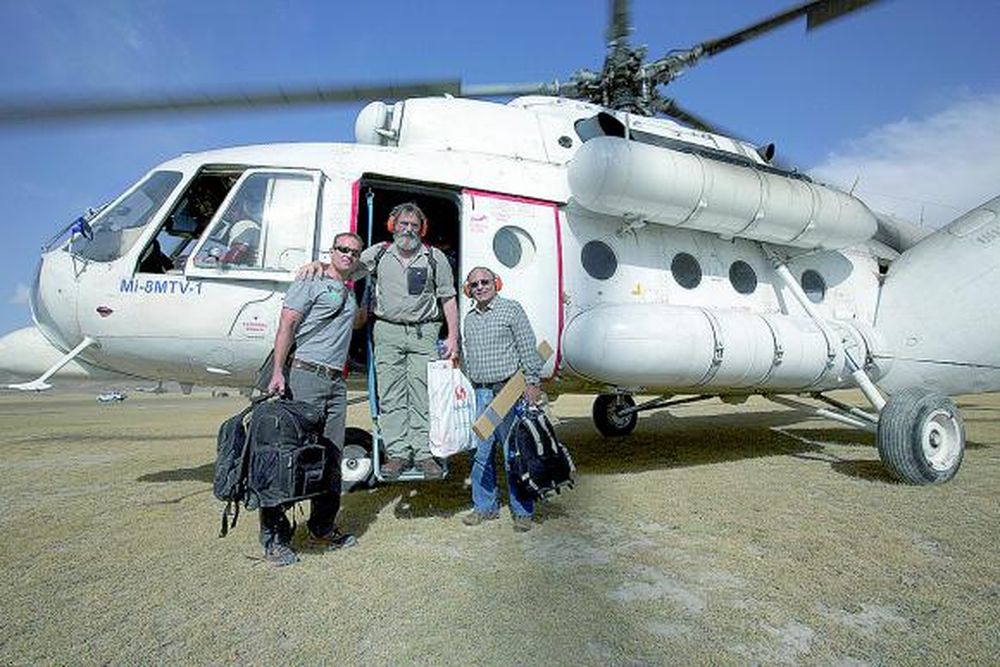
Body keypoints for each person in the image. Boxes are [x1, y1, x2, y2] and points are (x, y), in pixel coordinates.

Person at [299, 202, 459, 481]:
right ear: (392, 226)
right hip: (387, 331)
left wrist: (453, 337)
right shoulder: (380, 252)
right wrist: (321, 265)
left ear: (422, 229)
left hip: (425, 333)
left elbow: (448, 298)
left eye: (413, 225)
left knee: (422, 394)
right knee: (391, 394)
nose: (407, 229)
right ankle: (397, 453)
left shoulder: (435, 258)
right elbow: (347, 268)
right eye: (402, 224)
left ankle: (423, 453)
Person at [259, 232, 365, 566]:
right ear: (331, 251)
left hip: (336, 382)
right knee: (292, 456)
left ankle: (321, 529)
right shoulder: (312, 278)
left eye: (354, 251)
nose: (348, 255)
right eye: (342, 249)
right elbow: (287, 323)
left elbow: (357, 312)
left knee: (331, 458)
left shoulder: (348, 292)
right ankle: (275, 538)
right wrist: (278, 371)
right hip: (305, 374)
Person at [460, 266, 544, 532]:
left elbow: (528, 346)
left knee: (513, 453)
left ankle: (522, 511)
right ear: (469, 289)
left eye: (485, 281)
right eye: (474, 284)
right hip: (480, 392)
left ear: (496, 283)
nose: (481, 287)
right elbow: (468, 358)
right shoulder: (469, 319)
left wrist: (532, 381)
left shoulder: (512, 309)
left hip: (508, 391)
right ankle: (485, 507)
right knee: (481, 453)